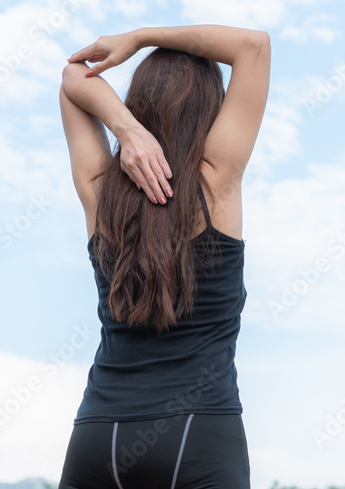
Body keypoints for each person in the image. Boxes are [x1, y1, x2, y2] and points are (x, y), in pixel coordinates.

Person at [55, 25, 271, 488]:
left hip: (100, 435)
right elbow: (253, 46)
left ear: (138, 103)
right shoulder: (216, 181)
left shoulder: (98, 190)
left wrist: (127, 131)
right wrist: (141, 37)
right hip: (200, 434)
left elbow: (72, 77)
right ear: (210, 111)